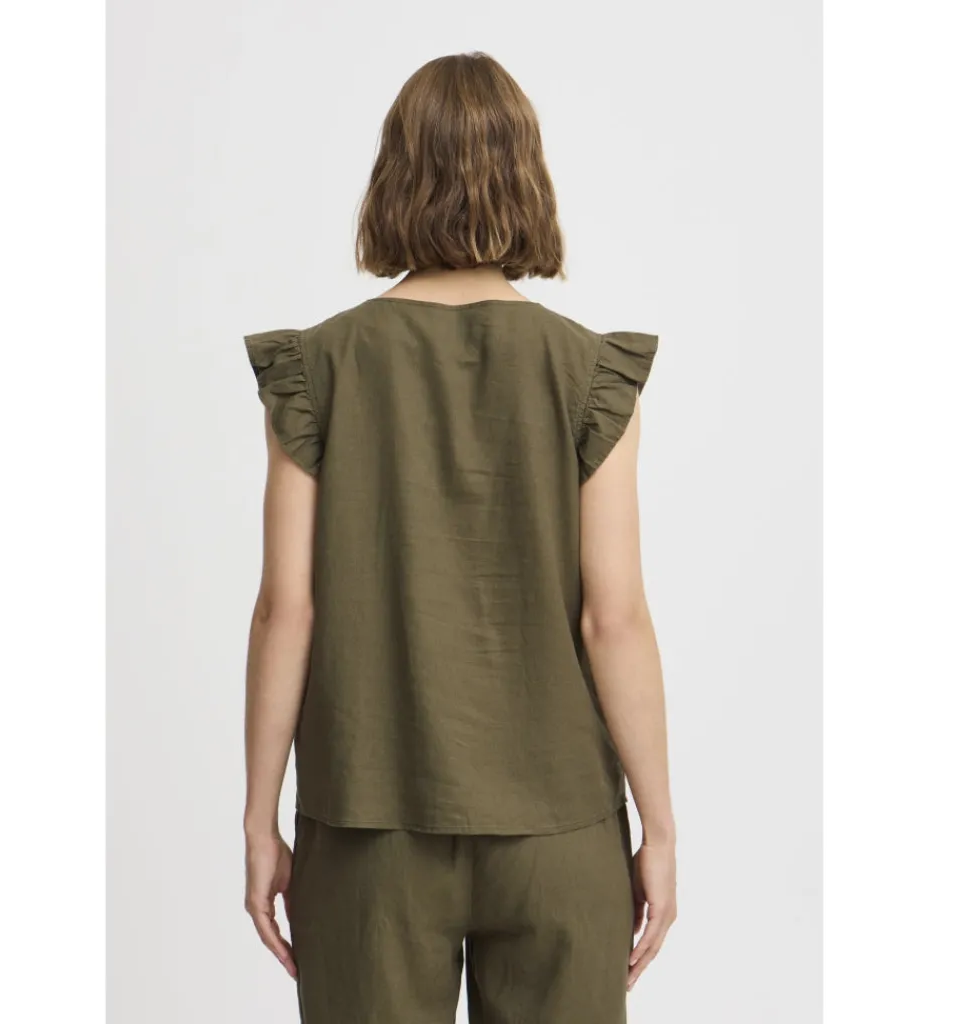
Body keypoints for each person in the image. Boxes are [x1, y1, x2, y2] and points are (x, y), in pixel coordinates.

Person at [241, 51, 676, 1023]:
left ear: (393, 176)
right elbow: (613, 619)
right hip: (560, 827)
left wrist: (259, 818)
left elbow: (286, 609)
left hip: (368, 826)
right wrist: (659, 827)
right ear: (528, 177)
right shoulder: (589, 374)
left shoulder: (318, 369)